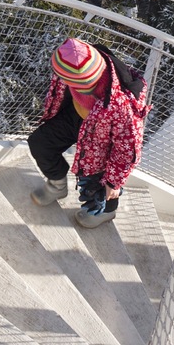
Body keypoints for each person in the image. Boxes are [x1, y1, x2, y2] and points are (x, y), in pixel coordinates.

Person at [27, 37, 150, 228]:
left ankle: (106, 212)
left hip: (103, 135)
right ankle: (57, 185)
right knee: (41, 143)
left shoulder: (121, 106)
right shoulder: (81, 60)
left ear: (82, 84)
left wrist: (114, 182)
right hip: (77, 115)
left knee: (99, 181)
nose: (60, 80)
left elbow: (128, 149)